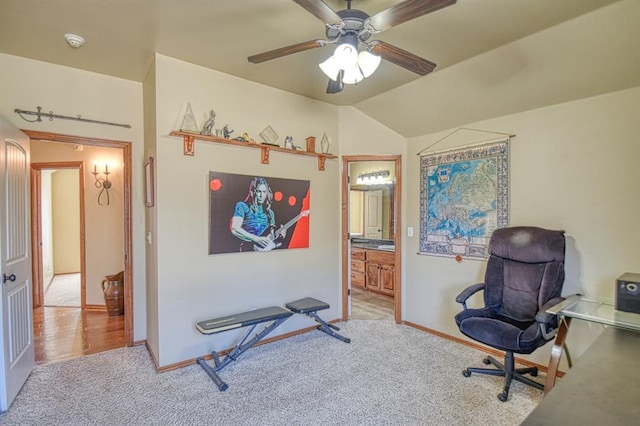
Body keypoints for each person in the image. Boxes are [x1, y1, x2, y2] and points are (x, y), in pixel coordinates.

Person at [231, 177, 285, 251]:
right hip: (246, 250)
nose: (261, 195)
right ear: (253, 192)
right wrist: (255, 238)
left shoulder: (270, 213)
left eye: (264, 192)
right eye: (258, 191)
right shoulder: (242, 206)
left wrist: (279, 237)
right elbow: (235, 228)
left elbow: (270, 238)